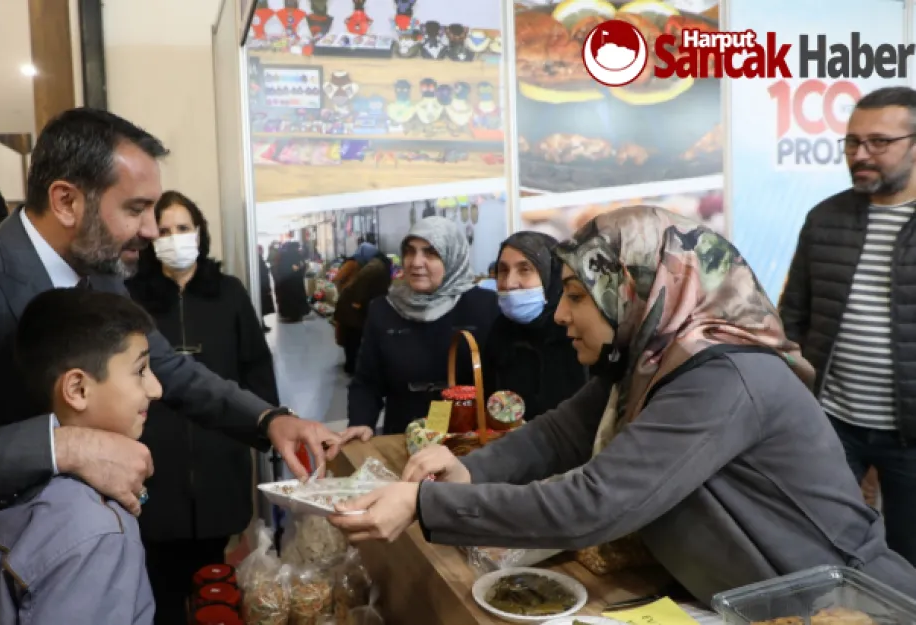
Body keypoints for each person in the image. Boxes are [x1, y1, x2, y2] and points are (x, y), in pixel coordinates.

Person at [0, 107, 339, 624]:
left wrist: (268, 420)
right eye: (136, 208)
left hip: (80, 554)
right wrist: (65, 446)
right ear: (65, 200)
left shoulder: (100, 273)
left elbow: (169, 369)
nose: (150, 230)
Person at [330, 206, 916, 603]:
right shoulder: (651, 358)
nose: (561, 315)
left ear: (635, 290)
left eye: (579, 297)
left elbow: (596, 502)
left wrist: (428, 505)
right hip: (755, 597)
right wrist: (467, 469)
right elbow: (561, 432)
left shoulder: (722, 376)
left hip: (838, 602)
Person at [0, 288, 160, 625]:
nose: (156, 388)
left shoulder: (4, 483)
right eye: (140, 371)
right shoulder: (96, 532)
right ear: (78, 389)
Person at [125, 191, 279, 625]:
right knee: (161, 587)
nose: (175, 238)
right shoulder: (131, 296)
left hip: (219, 455)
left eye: (184, 228)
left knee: (215, 584)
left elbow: (256, 367)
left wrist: (267, 426)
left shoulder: (228, 292)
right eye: (166, 230)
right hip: (156, 458)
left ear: (200, 233)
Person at [780, 86, 916, 566]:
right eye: (852, 142)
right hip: (832, 424)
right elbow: (792, 317)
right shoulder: (825, 219)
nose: (861, 155)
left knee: (907, 560)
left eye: (879, 142)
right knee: (824, 547)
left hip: (910, 437)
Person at [341, 217, 499, 440]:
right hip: (405, 437)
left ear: (452, 256)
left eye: (430, 253)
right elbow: (367, 382)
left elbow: (502, 379)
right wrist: (361, 422)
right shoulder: (384, 310)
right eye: (410, 251)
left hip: (470, 441)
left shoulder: (485, 306)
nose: (416, 262)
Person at [482, 232, 586, 419]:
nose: (510, 283)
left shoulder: (574, 333)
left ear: (551, 275)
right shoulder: (499, 331)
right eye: (503, 270)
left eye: (524, 270)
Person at [334, 243, 391, 375]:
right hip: (353, 305)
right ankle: (354, 367)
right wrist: (357, 302)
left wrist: (357, 302)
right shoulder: (377, 266)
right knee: (354, 338)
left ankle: (353, 366)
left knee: (352, 338)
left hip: (353, 305)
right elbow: (362, 285)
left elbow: (360, 285)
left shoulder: (372, 265)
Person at [273, 240, 310, 323]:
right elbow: (300, 266)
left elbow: (280, 268)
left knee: (289, 299)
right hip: (296, 281)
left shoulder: (283, 256)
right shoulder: (296, 255)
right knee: (296, 298)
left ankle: (289, 314)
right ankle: (297, 315)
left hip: (286, 282)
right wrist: (298, 269)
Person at [258, 244, 274, 332]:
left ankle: (262, 324)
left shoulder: (259, 259)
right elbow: (263, 274)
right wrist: (267, 288)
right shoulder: (259, 260)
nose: (262, 251)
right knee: (262, 306)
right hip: (262, 287)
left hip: (262, 287)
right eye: (261, 250)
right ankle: (261, 325)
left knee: (262, 307)